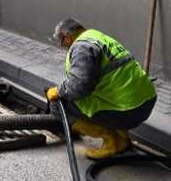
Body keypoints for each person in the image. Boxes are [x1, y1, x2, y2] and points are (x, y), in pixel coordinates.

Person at [46, 19, 157, 159]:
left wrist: (58, 91)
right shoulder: (97, 37)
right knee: (101, 93)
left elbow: (79, 87)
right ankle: (121, 133)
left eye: (62, 42)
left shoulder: (81, 47)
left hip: (128, 111)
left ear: (66, 37)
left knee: (58, 105)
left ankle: (113, 141)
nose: (63, 46)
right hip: (145, 101)